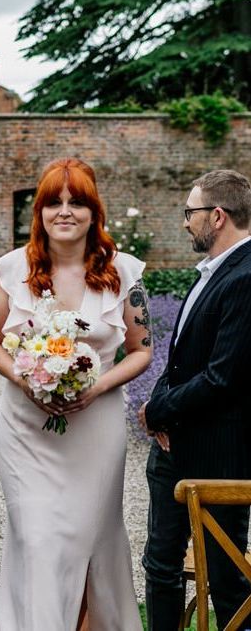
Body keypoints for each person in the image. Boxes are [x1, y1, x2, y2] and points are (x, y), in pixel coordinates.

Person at [0, 157, 152, 630]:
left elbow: (142, 351)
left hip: (94, 431)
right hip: (25, 429)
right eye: (53, 203)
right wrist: (25, 379)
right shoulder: (11, 269)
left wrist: (96, 385)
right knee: (37, 539)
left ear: (93, 212)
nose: (64, 212)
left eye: (76, 202)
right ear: (37, 213)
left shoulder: (125, 273)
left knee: (91, 539)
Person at [139, 169, 251, 630]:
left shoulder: (246, 277)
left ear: (218, 215)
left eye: (191, 212)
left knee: (225, 576)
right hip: (174, 448)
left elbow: (224, 377)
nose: (186, 222)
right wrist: (160, 407)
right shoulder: (213, 271)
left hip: (219, 455)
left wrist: (157, 410)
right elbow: (185, 358)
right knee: (161, 566)